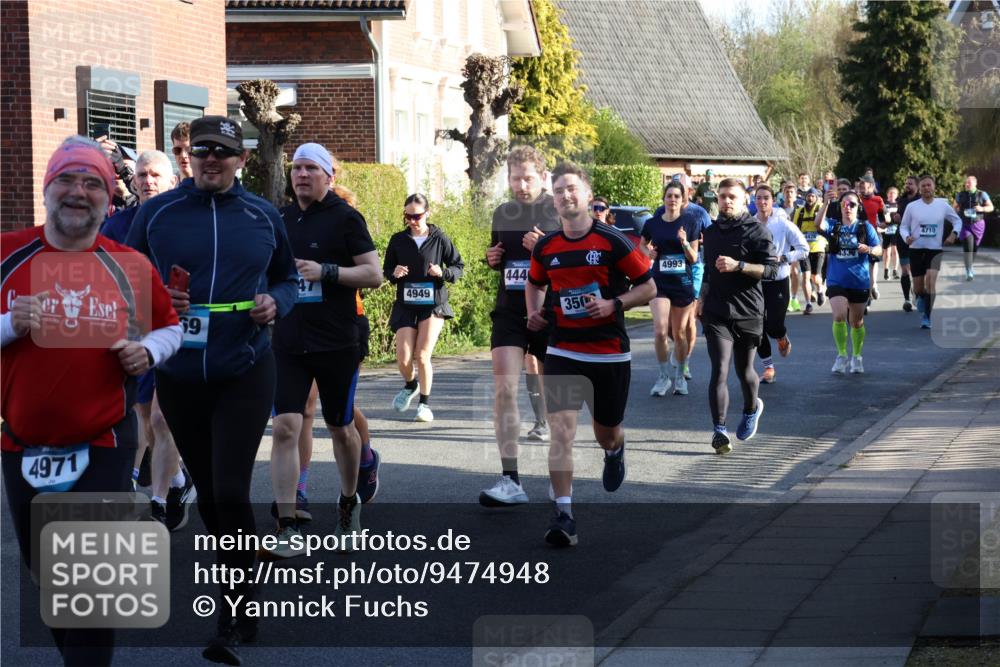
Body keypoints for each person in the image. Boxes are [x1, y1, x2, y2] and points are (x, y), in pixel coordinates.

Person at [1, 137, 181, 667]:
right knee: (48, 578)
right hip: (21, 445)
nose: (78, 192)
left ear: (108, 198)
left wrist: (147, 351)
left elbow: (169, 328)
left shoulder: (129, 264)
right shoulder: (9, 252)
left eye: (93, 183)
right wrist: (11, 324)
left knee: (89, 586)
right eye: (67, 179)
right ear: (47, 188)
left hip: (104, 439)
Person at [126, 116, 298, 663]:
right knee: (208, 496)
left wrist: (277, 303)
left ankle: (234, 613)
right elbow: (125, 278)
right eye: (202, 152)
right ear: (188, 157)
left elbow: (287, 277)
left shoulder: (262, 214)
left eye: (223, 153)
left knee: (229, 490)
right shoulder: (156, 214)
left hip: (245, 364)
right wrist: (156, 303)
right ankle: (242, 582)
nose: (211, 161)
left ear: (242, 160)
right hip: (179, 372)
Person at [525, 162, 655, 546]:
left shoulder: (613, 241)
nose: (566, 196)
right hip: (563, 348)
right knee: (561, 432)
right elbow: (534, 284)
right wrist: (533, 311)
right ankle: (563, 514)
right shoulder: (548, 247)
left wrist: (615, 303)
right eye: (559, 190)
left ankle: (616, 450)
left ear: (585, 192)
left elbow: (648, 287)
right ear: (554, 200)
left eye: (572, 189)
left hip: (609, 353)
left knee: (606, 433)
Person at [262, 143, 382, 559]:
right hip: (289, 340)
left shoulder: (346, 217)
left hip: (337, 340)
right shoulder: (280, 217)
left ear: (329, 175)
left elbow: (374, 274)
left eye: (311, 167)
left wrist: (327, 271)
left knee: (340, 429)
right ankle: (288, 522)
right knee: (285, 427)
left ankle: (349, 503)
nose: (301, 175)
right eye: (296, 168)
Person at [102, 150, 195, 531]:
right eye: (141, 174)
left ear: (172, 180)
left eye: (155, 174)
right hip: (134, 332)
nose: (147, 180)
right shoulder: (118, 224)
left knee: (161, 416)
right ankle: (178, 479)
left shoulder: (187, 220)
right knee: (144, 416)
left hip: (176, 331)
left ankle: (157, 502)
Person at [480, 146, 560, 506]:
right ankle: (510, 478)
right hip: (510, 312)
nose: (521, 184)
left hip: (550, 313)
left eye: (528, 177)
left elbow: (571, 264)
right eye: (515, 178)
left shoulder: (558, 210)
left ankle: (560, 475)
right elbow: (502, 255)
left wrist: (545, 247)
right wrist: (492, 258)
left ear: (543, 177)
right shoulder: (503, 212)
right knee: (504, 390)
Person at [697, 178, 778, 454]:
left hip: (748, 311)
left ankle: (752, 407)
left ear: (746, 200)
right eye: (722, 196)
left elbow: (771, 271)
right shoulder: (710, 232)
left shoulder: (757, 231)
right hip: (717, 311)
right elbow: (708, 271)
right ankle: (719, 431)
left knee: (745, 372)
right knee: (719, 369)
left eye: (732, 196)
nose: (726, 201)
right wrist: (701, 299)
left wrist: (739, 265)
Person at [384, 194, 464, 423]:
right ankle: (411, 385)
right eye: (407, 216)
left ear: (427, 213)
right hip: (406, 305)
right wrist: (394, 273)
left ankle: (424, 405)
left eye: (417, 216)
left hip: (433, 304)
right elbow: (387, 269)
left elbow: (458, 266)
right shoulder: (398, 240)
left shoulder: (439, 238)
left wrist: (443, 273)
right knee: (403, 357)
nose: (412, 221)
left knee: (422, 355)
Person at [642, 182, 702, 396]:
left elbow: (694, 258)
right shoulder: (652, 223)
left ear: (683, 199)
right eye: (669, 195)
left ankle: (679, 376)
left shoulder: (691, 221)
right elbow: (642, 244)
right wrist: (648, 253)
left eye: (677, 196)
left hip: (682, 284)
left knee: (678, 333)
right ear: (664, 198)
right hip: (659, 283)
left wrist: (684, 243)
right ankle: (663, 376)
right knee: (659, 330)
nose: (673, 199)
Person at [818, 190, 882, 374]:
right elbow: (818, 224)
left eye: (852, 204)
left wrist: (869, 249)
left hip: (859, 280)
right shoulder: (834, 226)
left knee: (856, 322)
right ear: (840, 207)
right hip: (836, 279)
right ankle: (842, 354)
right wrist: (825, 203)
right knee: (838, 315)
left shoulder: (865, 227)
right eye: (845, 204)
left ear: (858, 207)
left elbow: (879, 250)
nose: (848, 208)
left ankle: (857, 356)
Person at [754, 186, 808, 384]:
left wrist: (783, 257)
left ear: (772, 200)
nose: (762, 202)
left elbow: (804, 249)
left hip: (778, 280)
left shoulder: (783, 223)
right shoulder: (750, 223)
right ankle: (768, 368)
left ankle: (781, 336)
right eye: (758, 198)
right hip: (756, 281)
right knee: (756, 327)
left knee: (774, 326)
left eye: (766, 198)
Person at [900, 175, 962, 329]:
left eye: (929, 185)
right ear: (919, 189)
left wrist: (954, 234)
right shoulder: (912, 207)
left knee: (931, 282)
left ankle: (927, 316)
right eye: (923, 186)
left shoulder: (942, 205)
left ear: (934, 187)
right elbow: (903, 226)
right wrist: (906, 237)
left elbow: (957, 220)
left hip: (934, 250)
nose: (926, 188)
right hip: (916, 249)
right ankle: (919, 296)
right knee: (919, 287)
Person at [953, 175, 994, 281]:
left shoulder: (982, 194)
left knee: (974, 249)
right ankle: (968, 271)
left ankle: (970, 266)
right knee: (968, 247)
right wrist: (957, 213)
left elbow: (991, 207)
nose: (966, 184)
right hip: (964, 224)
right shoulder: (960, 195)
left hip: (978, 224)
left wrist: (982, 208)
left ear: (975, 183)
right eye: (966, 183)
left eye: (969, 183)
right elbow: (955, 207)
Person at [792, 188, 826, 311]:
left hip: (818, 247)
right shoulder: (799, 211)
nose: (810, 198)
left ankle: (820, 290)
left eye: (813, 196)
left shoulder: (821, 209)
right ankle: (808, 304)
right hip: (804, 249)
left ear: (817, 197)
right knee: (806, 276)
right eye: (808, 196)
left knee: (815, 277)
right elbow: (794, 229)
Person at [892, 176, 920, 311]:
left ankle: (916, 292)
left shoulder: (921, 200)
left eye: (910, 184)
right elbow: (899, 217)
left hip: (917, 238)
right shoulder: (901, 200)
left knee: (916, 269)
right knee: (905, 270)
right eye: (906, 183)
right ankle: (907, 299)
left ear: (917, 186)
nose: (907, 185)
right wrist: (895, 218)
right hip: (902, 238)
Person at [858, 175, 887, 300]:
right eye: (860, 185)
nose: (861, 187)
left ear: (871, 186)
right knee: (863, 264)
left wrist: (883, 224)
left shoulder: (878, 200)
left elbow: (884, 219)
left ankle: (872, 286)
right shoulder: (857, 199)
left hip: (874, 234)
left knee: (872, 264)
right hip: (859, 235)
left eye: (864, 185)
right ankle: (867, 289)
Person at [883, 186, 901, 280]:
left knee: (895, 250)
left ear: (897, 195)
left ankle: (895, 270)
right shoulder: (884, 204)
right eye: (890, 193)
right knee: (886, 251)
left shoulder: (898, 205)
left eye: (894, 193)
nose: (892, 195)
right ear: (887, 194)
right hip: (886, 230)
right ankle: (886, 270)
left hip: (895, 230)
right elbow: (881, 216)